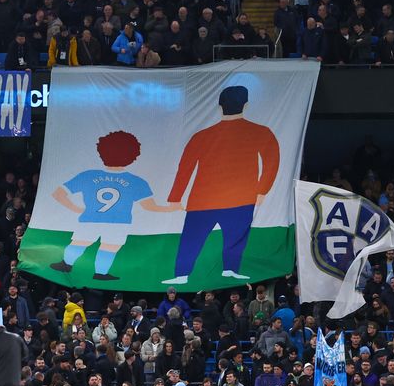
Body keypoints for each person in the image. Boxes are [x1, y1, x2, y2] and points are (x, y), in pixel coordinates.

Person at [162, 85, 280, 284]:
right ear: (246, 105)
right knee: (235, 238)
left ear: (219, 106)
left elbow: (185, 168)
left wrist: (175, 198)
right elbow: (272, 161)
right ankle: (230, 269)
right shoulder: (261, 132)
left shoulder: (201, 135)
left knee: (192, 238)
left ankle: (182, 275)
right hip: (240, 198)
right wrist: (262, 190)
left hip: (203, 200)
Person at [47, 131, 160, 282]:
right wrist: (175, 208)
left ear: (102, 152)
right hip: (119, 222)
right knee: (109, 247)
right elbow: (150, 207)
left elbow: (58, 194)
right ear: (133, 156)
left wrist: (77, 209)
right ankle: (100, 273)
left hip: (90, 219)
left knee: (80, 243)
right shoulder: (136, 181)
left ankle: (66, 264)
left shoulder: (88, 175)